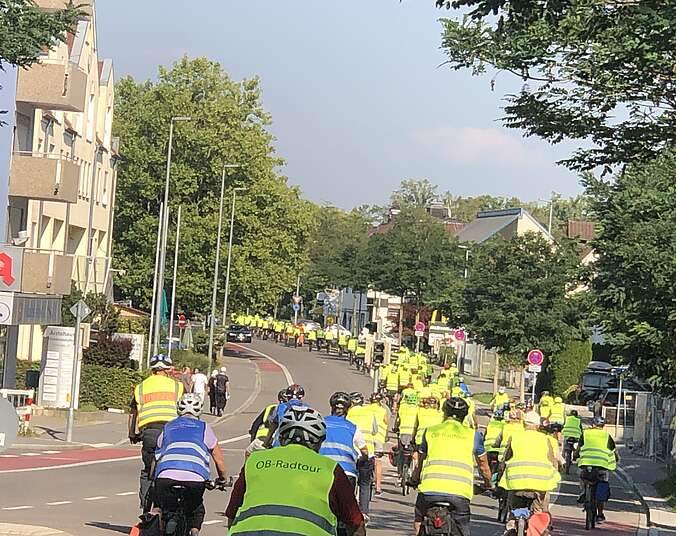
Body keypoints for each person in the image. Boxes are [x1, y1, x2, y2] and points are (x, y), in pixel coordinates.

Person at [226, 405, 366, 536]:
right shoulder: (329, 469)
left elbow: (232, 512)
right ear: (319, 441)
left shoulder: (255, 461)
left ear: (281, 437)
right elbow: (355, 521)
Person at [410, 397, 493, 536]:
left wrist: (414, 479)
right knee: (462, 527)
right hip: (459, 493)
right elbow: (483, 465)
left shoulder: (430, 431)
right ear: (465, 415)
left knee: (419, 518)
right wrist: (488, 484)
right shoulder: (473, 435)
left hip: (430, 490)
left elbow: (420, 461)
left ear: (444, 412)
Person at [152, 394, 227, 535]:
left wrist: (154, 476)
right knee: (196, 509)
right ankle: (194, 530)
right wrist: (222, 479)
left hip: (165, 476)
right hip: (195, 477)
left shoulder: (168, 426)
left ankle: (163, 524)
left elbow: (157, 456)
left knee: (164, 507)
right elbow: (219, 460)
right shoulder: (204, 427)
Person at [128, 354, 184, 510]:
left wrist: (132, 434)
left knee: (148, 471)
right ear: (168, 369)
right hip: (172, 433)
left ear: (152, 369)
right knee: (174, 468)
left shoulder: (141, 387)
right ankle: (173, 508)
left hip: (150, 432)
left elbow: (133, 413)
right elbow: (186, 411)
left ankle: (146, 508)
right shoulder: (177, 386)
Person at [499, 411, 560, 533]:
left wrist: (500, 477)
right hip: (540, 485)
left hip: (516, 483)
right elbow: (553, 462)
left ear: (523, 424)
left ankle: (511, 527)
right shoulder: (545, 439)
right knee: (539, 515)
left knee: (513, 513)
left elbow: (505, 460)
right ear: (538, 426)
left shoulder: (515, 437)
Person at [320, 392, 368, 486]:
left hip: (322, 471)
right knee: (347, 500)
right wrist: (364, 459)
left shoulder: (321, 423)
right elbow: (364, 451)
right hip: (346, 473)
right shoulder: (352, 428)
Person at [577, 416, 618, 523]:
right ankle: (600, 514)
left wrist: (575, 456)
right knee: (602, 487)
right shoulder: (607, 436)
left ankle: (583, 492)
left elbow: (578, 448)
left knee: (582, 476)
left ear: (593, 425)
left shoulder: (586, 433)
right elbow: (614, 451)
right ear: (603, 426)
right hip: (601, 467)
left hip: (586, 465)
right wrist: (616, 459)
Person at [347, 391, 378, 518]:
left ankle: (349, 508)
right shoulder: (370, 413)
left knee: (349, 483)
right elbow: (375, 430)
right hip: (368, 451)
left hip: (353, 453)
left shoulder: (348, 413)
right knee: (365, 484)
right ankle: (364, 512)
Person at [366, 392, 389, 495]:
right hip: (379, 438)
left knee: (366, 459)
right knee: (378, 462)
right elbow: (386, 423)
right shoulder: (383, 410)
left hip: (368, 437)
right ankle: (378, 487)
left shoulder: (366, 410)